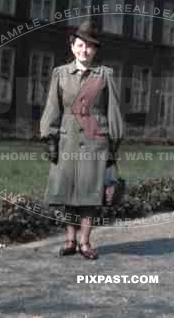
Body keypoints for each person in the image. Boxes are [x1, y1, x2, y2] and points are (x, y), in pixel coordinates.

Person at [40, 20, 124, 260]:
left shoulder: (105, 76)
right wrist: (50, 138)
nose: (84, 51)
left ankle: (85, 242)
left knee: (90, 194)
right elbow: (52, 107)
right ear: (72, 46)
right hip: (66, 141)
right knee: (67, 195)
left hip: (95, 142)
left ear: (95, 50)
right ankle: (69, 240)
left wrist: (111, 147)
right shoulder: (60, 73)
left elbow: (113, 111)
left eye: (89, 47)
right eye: (80, 45)